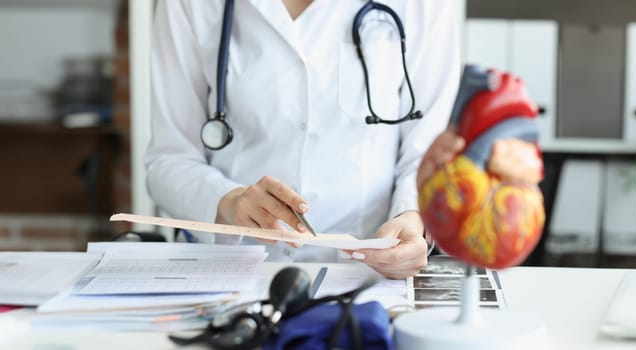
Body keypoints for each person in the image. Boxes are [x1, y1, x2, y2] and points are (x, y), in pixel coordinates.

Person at [145, 0, 463, 279]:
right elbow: (168, 160)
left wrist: (411, 216)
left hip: (366, 276)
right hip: (227, 271)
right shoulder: (188, 4)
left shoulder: (426, 5)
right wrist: (228, 202)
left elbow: (427, 158)